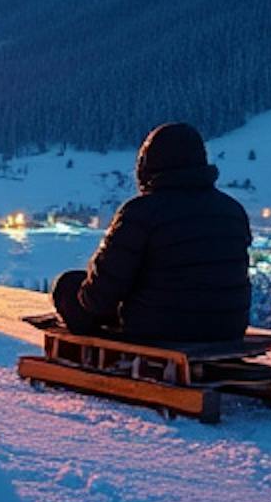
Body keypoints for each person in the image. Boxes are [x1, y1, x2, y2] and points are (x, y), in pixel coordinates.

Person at [51, 122, 252, 342]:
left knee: (69, 286)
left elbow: (99, 297)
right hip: (228, 328)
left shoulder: (141, 212)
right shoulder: (232, 210)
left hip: (161, 329)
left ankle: (86, 362)